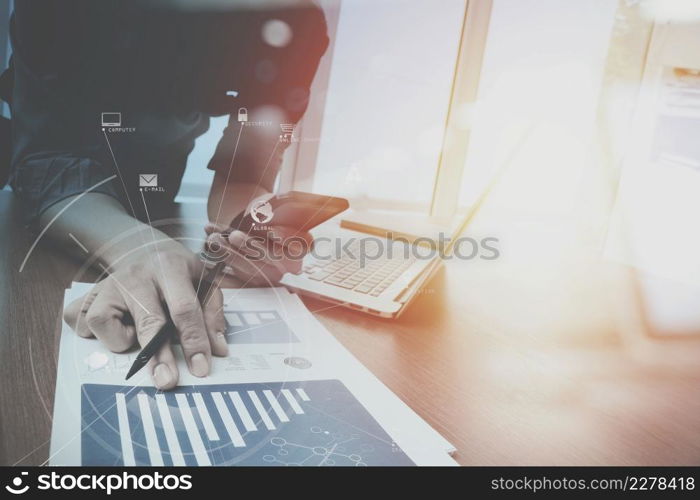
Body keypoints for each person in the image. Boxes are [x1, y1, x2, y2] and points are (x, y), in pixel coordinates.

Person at [5, 0, 328, 389]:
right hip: (53, 216)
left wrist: (246, 233)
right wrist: (140, 248)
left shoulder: (297, 20)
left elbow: (245, 170)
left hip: (155, 189)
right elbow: (50, 163)